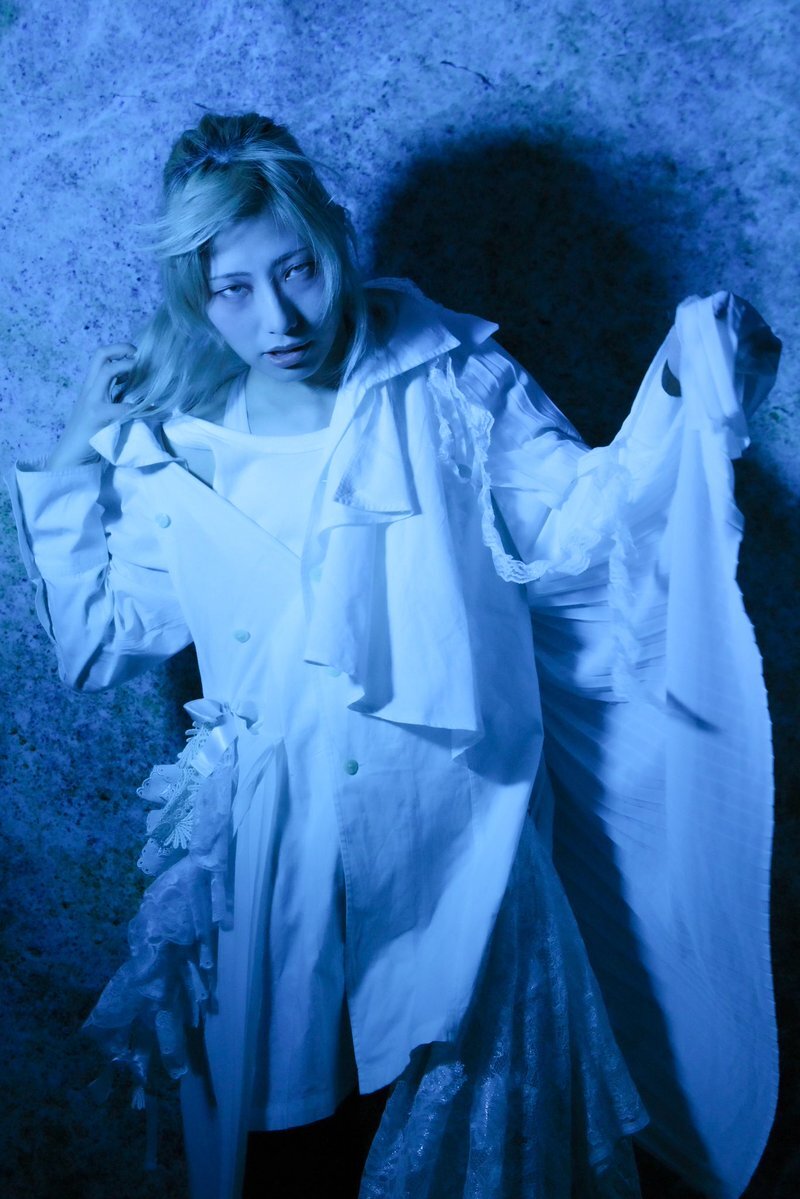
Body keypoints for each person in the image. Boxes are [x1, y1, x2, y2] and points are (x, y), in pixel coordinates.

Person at [7, 112, 782, 1199]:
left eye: (297, 270)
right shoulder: (174, 449)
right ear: (197, 296)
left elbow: (578, 525)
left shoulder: (449, 374)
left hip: (460, 846)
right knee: (297, 1157)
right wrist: (67, 462)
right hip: (277, 868)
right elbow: (97, 645)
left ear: (335, 237)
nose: (279, 318)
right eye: (234, 289)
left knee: (476, 1155)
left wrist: (679, 390)